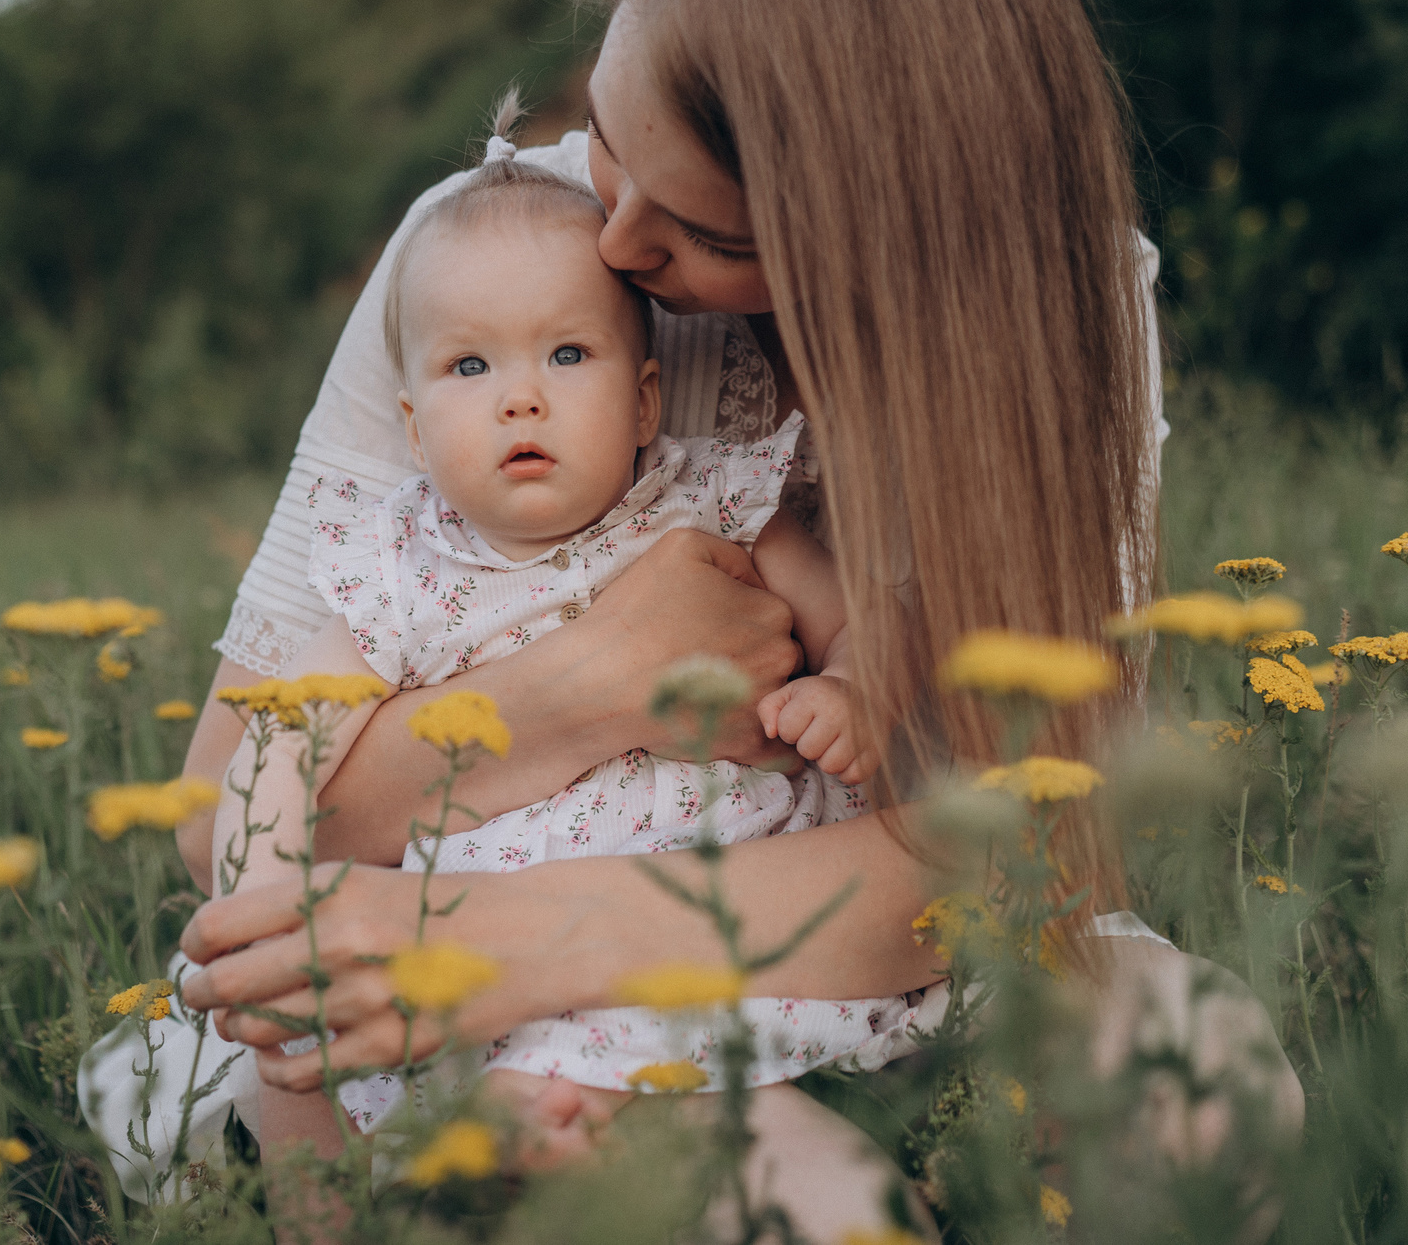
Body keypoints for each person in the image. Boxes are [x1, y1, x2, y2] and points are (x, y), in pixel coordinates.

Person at [172, 0, 1304, 1237]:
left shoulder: (1059, 319)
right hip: (454, 1002)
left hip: (896, 968)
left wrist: (507, 939)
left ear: (881, 244)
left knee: (1204, 1096)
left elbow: (1013, 849)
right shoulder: (493, 254)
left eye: (707, 232)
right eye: (608, 137)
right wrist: (583, 690)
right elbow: (225, 805)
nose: (618, 241)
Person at [213, 107, 923, 1169]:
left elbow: (855, 623)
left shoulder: (710, 502)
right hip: (483, 929)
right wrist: (266, 888)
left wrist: (851, 690)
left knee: (693, 1111)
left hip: (719, 905)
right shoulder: (398, 568)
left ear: (645, 402)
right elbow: (280, 736)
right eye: (469, 370)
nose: (521, 400)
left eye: (566, 352)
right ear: (411, 429)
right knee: (356, 1089)